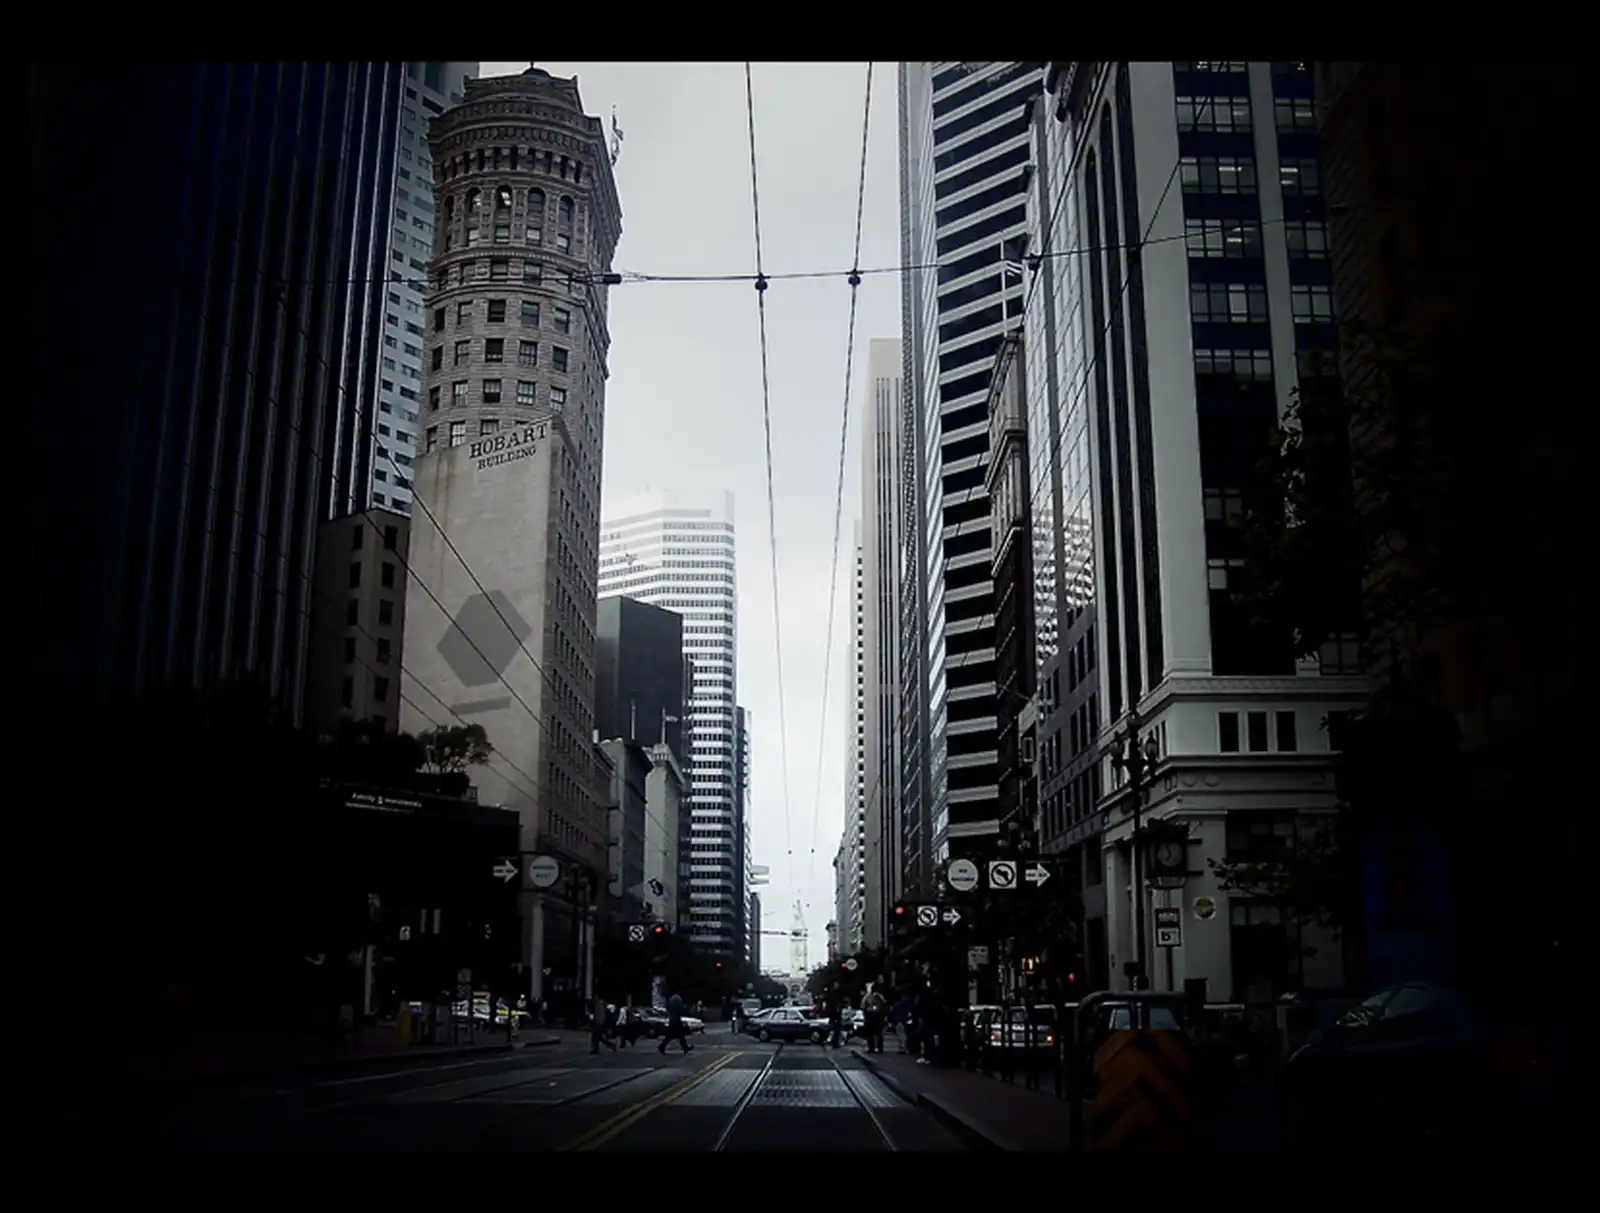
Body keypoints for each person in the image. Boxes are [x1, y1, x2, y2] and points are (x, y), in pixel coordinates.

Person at [862, 985, 888, 1054]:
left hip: (878, 1016)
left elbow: (885, 1004)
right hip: (870, 1016)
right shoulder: (868, 996)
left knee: (878, 1033)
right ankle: (872, 1047)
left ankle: (879, 1047)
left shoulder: (880, 997)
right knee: (870, 1033)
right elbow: (863, 1005)